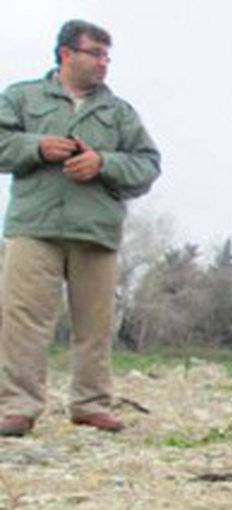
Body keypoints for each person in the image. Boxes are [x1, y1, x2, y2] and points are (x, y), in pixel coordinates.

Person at [0, 19, 161, 437]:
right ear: (66, 54)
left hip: (96, 231)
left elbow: (147, 165)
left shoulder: (120, 113)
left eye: (108, 56)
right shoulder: (22, 97)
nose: (104, 64)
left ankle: (90, 403)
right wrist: (35, 146)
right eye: (96, 54)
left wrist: (103, 163)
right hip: (34, 228)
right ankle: (17, 406)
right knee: (23, 319)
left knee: (94, 323)